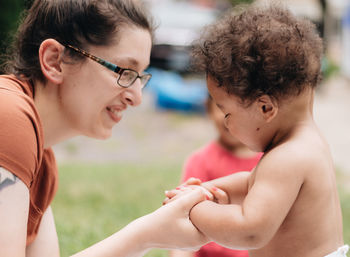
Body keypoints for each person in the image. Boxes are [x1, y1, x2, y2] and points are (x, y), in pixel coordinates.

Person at [0, 0, 211, 256]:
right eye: (124, 71)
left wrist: (150, 234)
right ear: (55, 60)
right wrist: (147, 234)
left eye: (140, 77)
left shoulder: (42, 158)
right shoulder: (7, 115)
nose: (137, 97)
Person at [164, 4, 348, 257]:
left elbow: (250, 230)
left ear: (265, 108)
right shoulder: (304, 145)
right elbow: (255, 183)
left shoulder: (287, 158)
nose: (226, 123)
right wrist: (207, 189)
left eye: (227, 113)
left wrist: (193, 208)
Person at [169, 96, 262, 257]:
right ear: (209, 109)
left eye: (242, 105)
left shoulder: (268, 163)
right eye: (222, 107)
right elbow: (183, 224)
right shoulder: (200, 161)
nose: (230, 116)